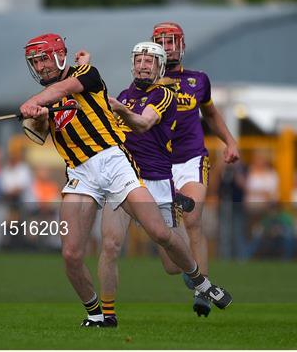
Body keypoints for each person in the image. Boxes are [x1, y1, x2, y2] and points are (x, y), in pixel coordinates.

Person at [20, 33, 232, 327]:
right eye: (35, 62)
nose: (41, 67)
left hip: (114, 162)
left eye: (44, 59)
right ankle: (96, 314)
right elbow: (38, 133)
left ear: (58, 55)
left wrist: (33, 101)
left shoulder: (87, 74)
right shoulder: (49, 98)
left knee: (159, 233)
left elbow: (67, 88)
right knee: (71, 254)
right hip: (80, 173)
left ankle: (201, 281)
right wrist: (38, 115)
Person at [97, 41, 216, 326]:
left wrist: (116, 108)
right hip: (124, 177)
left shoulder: (164, 94)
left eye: (149, 61)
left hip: (157, 179)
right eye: (138, 60)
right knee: (111, 245)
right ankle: (105, 315)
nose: (143, 65)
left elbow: (143, 122)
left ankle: (196, 275)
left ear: (160, 66)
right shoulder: (125, 95)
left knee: (172, 266)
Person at [152, 22, 240, 316]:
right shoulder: (146, 85)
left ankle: (202, 291)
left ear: (182, 45)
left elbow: (211, 114)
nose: (168, 47)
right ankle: (191, 270)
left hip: (191, 159)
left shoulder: (198, 80)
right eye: (162, 42)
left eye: (172, 41)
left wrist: (229, 142)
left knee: (192, 219)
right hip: (160, 165)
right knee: (169, 266)